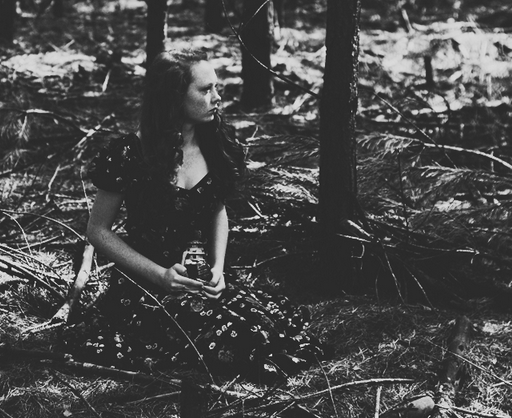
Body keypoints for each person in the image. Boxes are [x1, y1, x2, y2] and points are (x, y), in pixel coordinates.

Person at [62, 50, 324, 382]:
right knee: (238, 339)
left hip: (199, 277)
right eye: (205, 89)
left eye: (217, 87)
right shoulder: (128, 154)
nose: (217, 97)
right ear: (174, 97)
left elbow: (217, 210)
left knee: (265, 326)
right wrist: (160, 275)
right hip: (146, 285)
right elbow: (98, 230)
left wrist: (218, 269)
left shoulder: (214, 142)